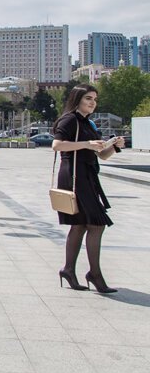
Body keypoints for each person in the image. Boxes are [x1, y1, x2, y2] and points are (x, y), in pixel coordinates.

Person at [53, 85, 123, 293]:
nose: (93, 102)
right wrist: (86, 144)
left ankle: (68, 270)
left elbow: (101, 155)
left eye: (95, 99)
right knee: (96, 224)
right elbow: (57, 145)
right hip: (74, 176)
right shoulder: (69, 120)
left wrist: (114, 146)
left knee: (81, 225)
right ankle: (94, 274)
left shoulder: (88, 123)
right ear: (77, 99)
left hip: (87, 175)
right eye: (88, 98)